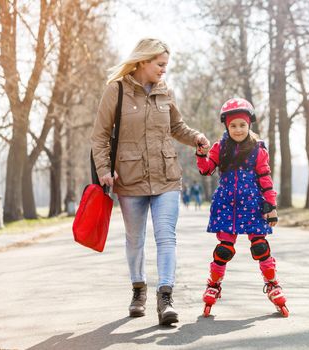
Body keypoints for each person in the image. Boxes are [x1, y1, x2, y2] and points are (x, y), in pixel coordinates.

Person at [91, 38, 210, 326]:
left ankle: (165, 297)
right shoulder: (116, 91)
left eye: (166, 65)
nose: (164, 71)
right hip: (129, 178)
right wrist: (104, 169)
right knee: (135, 239)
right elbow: (100, 136)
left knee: (167, 237)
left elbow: (176, 127)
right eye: (160, 64)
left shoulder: (164, 91)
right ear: (143, 61)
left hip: (166, 176)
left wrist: (196, 137)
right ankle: (138, 290)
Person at [195, 98, 289, 317]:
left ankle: (273, 284)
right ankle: (214, 285)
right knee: (224, 249)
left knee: (260, 246)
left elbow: (265, 177)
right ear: (227, 126)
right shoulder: (220, 147)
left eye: (242, 125)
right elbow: (207, 169)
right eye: (233, 125)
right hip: (227, 204)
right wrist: (201, 155)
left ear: (249, 125)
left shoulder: (258, 149)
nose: (238, 129)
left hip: (253, 204)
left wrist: (271, 206)